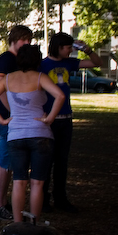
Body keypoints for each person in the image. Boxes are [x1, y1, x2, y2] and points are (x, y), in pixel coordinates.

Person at [0, 45, 65, 222]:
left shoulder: (8, 79)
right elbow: (60, 95)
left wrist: (2, 120)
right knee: (37, 182)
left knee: (19, 181)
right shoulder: (40, 77)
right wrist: (50, 118)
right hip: (40, 133)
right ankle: (34, 223)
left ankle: (17, 223)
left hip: (15, 135)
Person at [39, 32, 102, 213]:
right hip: (48, 120)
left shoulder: (69, 63)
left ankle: (60, 198)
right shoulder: (42, 65)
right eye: (68, 48)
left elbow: (97, 63)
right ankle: (43, 199)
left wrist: (87, 49)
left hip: (66, 119)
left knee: (62, 161)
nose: (70, 51)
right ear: (58, 47)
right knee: (46, 160)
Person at [0, 25, 33, 220]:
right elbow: (0, 88)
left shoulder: (17, 60)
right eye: (24, 39)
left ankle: (2, 202)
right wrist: (13, 111)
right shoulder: (7, 59)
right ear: (14, 40)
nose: (27, 43)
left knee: (8, 162)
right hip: (7, 119)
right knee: (4, 160)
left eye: (29, 40)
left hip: (12, 118)